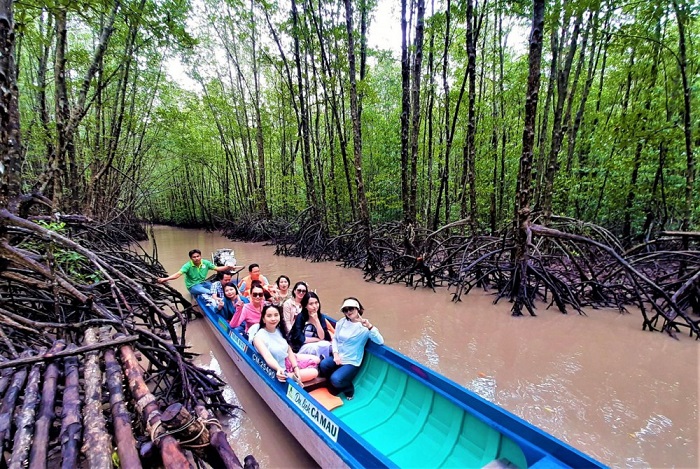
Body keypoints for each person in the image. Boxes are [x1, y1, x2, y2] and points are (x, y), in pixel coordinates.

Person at [319, 297, 383, 400]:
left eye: (351, 309)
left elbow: (380, 341)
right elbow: (335, 339)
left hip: (352, 360)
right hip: (339, 356)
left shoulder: (364, 326)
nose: (348, 312)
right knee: (323, 365)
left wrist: (370, 326)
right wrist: (335, 354)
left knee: (336, 379)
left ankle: (348, 389)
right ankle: (333, 383)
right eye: (345, 310)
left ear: (357, 309)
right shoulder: (342, 322)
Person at [252, 304, 320, 383]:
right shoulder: (258, 338)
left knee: (317, 359)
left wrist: (295, 367)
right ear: (263, 319)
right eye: (269, 316)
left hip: (286, 359)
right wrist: (278, 368)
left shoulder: (278, 329)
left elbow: (288, 349)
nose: (273, 319)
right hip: (279, 369)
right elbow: (268, 357)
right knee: (314, 372)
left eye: (276, 315)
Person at [157, 249, 238, 296]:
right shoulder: (187, 266)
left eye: (198, 256)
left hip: (203, 282)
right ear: (191, 258)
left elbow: (217, 268)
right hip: (193, 286)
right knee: (210, 292)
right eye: (194, 257)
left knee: (219, 289)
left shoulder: (205, 263)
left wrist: (228, 267)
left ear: (200, 256)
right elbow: (178, 274)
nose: (196, 258)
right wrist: (165, 279)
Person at [289, 292, 332, 359]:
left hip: (318, 344)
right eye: (311, 304)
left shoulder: (321, 317)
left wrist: (316, 320)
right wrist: (317, 339)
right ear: (305, 306)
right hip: (303, 346)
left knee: (327, 345)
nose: (315, 306)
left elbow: (322, 336)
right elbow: (300, 338)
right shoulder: (300, 317)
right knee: (315, 347)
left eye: (316, 303)